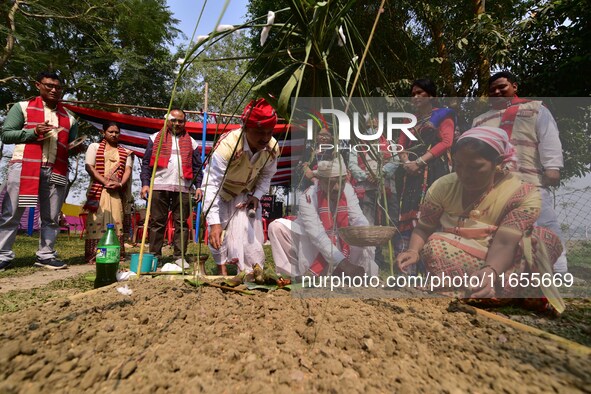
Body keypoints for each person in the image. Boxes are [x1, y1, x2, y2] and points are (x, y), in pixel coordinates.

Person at [397, 126, 565, 314]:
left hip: (504, 260)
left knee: (543, 240)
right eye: (458, 165)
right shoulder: (443, 187)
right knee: (436, 245)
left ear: (498, 162)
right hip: (461, 255)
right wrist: (413, 251)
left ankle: (499, 290)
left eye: (475, 167)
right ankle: (485, 292)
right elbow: (423, 228)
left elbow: (505, 242)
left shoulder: (522, 194)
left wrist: (490, 271)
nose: (464, 174)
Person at [472, 71, 567, 273]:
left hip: (529, 180)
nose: (497, 92)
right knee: (497, 230)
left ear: (514, 86)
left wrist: (552, 167)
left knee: (544, 224)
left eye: (502, 87)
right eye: (492, 90)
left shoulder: (535, 109)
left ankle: (558, 271)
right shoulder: (480, 120)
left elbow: (549, 138)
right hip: (494, 187)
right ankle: (502, 270)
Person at [0, 71, 78, 270]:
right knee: (12, 212)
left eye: (57, 87)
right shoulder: (22, 108)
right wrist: (33, 132)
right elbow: (7, 135)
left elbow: (69, 145)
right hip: (24, 165)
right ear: (38, 85)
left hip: (56, 169)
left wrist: (76, 148)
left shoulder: (69, 118)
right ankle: (3, 255)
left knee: (51, 216)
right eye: (48, 85)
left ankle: (46, 255)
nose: (53, 90)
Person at [202, 98, 278, 276]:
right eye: (260, 132)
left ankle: (251, 272)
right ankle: (222, 271)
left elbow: (267, 175)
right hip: (221, 193)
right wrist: (214, 223)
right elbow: (210, 184)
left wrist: (257, 195)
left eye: (270, 132)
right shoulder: (227, 145)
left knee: (249, 234)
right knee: (218, 235)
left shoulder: (272, 147)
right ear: (246, 128)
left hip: (246, 195)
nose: (265, 138)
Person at [268, 156, 377, 279]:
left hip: (342, 240)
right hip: (314, 240)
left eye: (340, 182)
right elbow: (316, 233)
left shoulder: (348, 189)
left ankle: (359, 272)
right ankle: (294, 275)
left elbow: (358, 219)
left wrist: (367, 234)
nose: (336, 188)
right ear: (320, 180)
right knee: (276, 227)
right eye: (331, 183)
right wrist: (344, 264)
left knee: (364, 232)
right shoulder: (308, 196)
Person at [394, 79, 455, 270]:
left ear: (431, 96)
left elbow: (446, 142)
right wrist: (407, 163)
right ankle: (406, 273)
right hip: (410, 175)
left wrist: (420, 161)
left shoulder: (443, 116)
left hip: (433, 171)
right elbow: (400, 145)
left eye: (420, 93)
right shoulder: (409, 120)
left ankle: (431, 272)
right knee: (408, 215)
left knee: (431, 215)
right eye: (413, 94)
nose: (415, 97)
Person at [140, 109, 203, 268]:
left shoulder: (192, 142)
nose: (176, 123)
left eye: (180, 121)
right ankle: (155, 256)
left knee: (182, 223)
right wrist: (145, 184)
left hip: (183, 187)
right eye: (173, 120)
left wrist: (199, 187)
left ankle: (179, 256)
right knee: (157, 223)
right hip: (159, 186)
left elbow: (197, 167)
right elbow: (146, 164)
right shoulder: (155, 138)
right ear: (167, 120)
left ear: (185, 122)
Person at [348, 116, 398, 268]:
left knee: (391, 221)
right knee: (368, 223)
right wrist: (366, 176)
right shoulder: (357, 146)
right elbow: (352, 164)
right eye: (369, 123)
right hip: (366, 189)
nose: (372, 125)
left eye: (375, 122)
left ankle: (396, 259)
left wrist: (380, 174)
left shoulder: (390, 144)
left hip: (387, 188)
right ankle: (370, 259)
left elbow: (395, 161)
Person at [83, 122, 133, 263]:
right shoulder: (94, 147)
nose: (113, 134)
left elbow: (127, 170)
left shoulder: (125, 151)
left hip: (117, 193)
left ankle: (116, 254)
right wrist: (105, 182)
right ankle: (94, 255)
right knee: (98, 220)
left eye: (116, 132)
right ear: (103, 132)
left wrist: (120, 184)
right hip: (98, 191)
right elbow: (89, 167)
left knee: (117, 221)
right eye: (110, 131)